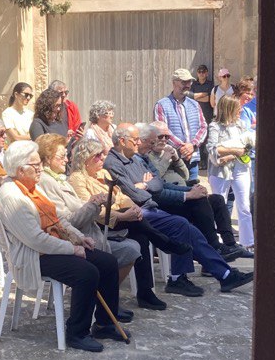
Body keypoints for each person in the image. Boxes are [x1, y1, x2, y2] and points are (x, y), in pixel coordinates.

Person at [0, 141, 124, 353]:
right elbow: (35, 239)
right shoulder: (12, 196)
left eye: (39, 163)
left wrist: (79, 238)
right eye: (35, 165)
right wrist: (72, 249)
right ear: (20, 170)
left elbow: (58, 218)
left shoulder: (31, 188)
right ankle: (77, 333)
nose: (40, 168)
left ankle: (105, 323)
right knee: (86, 272)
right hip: (35, 255)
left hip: (53, 245)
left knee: (107, 262)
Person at [106, 123, 252, 296]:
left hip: (150, 207)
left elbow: (158, 183)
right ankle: (182, 278)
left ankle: (223, 275)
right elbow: (134, 194)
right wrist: (148, 187)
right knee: (182, 224)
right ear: (122, 141)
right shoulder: (113, 163)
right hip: (135, 212)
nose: (139, 143)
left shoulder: (135, 158)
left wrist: (145, 185)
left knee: (191, 227)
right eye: (136, 139)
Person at [67, 137, 167, 310]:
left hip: (117, 220)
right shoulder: (77, 179)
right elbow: (91, 211)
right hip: (97, 225)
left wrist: (133, 208)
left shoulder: (103, 174)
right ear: (85, 158)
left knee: (142, 238)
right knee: (138, 231)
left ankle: (145, 292)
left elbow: (121, 196)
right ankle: (164, 242)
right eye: (97, 156)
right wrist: (122, 216)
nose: (102, 159)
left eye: (102, 154)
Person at [37, 134, 141, 289]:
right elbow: (66, 221)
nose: (66, 160)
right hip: (79, 239)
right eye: (62, 156)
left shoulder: (58, 179)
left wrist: (101, 201)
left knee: (140, 236)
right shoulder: (49, 182)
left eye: (66, 155)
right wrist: (95, 204)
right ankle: (105, 301)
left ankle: (113, 299)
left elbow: (120, 196)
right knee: (130, 248)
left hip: (90, 234)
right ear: (47, 158)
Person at [138, 122, 245, 259]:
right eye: (160, 137)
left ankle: (230, 244)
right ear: (147, 139)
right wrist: (188, 193)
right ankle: (214, 248)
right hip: (167, 202)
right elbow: (158, 184)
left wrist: (176, 159)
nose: (164, 140)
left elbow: (185, 175)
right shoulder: (147, 156)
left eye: (167, 136)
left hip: (180, 191)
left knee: (216, 199)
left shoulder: (165, 152)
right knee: (199, 201)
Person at [206, 95, 255, 251]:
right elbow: (213, 149)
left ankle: (248, 242)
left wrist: (233, 153)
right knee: (220, 203)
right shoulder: (215, 126)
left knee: (244, 206)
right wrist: (235, 151)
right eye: (237, 108)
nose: (240, 110)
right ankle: (219, 242)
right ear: (229, 109)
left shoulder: (241, 125)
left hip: (241, 168)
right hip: (220, 170)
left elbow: (248, 145)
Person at [155, 68, 207, 181]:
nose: (187, 85)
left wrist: (192, 145)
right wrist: (183, 148)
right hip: (172, 160)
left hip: (192, 159)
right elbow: (162, 131)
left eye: (189, 82)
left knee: (194, 194)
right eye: (184, 82)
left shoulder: (194, 104)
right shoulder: (162, 105)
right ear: (174, 82)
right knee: (177, 194)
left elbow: (203, 127)